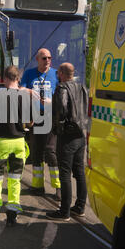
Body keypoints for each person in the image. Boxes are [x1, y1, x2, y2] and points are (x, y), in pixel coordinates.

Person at [0, 66, 30, 229]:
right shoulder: (25, 97)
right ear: (18, 79)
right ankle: (12, 215)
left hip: (1, 142)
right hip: (19, 143)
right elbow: (31, 122)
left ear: (4, 79)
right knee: (15, 180)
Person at [46, 63, 88, 221]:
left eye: (58, 72)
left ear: (62, 73)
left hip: (68, 135)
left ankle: (64, 211)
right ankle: (80, 207)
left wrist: (58, 127)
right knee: (80, 172)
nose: (57, 75)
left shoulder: (62, 88)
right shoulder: (82, 87)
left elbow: (62, 109)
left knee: (64, 173)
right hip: (81, 135)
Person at [20, 48, 61, 201]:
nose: (48, 60)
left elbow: (61, 94)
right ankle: (38, 186)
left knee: (51, 151)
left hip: (51, 117)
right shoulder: (29, 73)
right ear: (37, 59)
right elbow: (21, 88)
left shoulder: (56, 74)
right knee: (37, 151)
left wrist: (52, 102)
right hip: (35, 117)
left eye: (49, 58)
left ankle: (58, 187)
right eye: (44, 58)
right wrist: (30, 92)